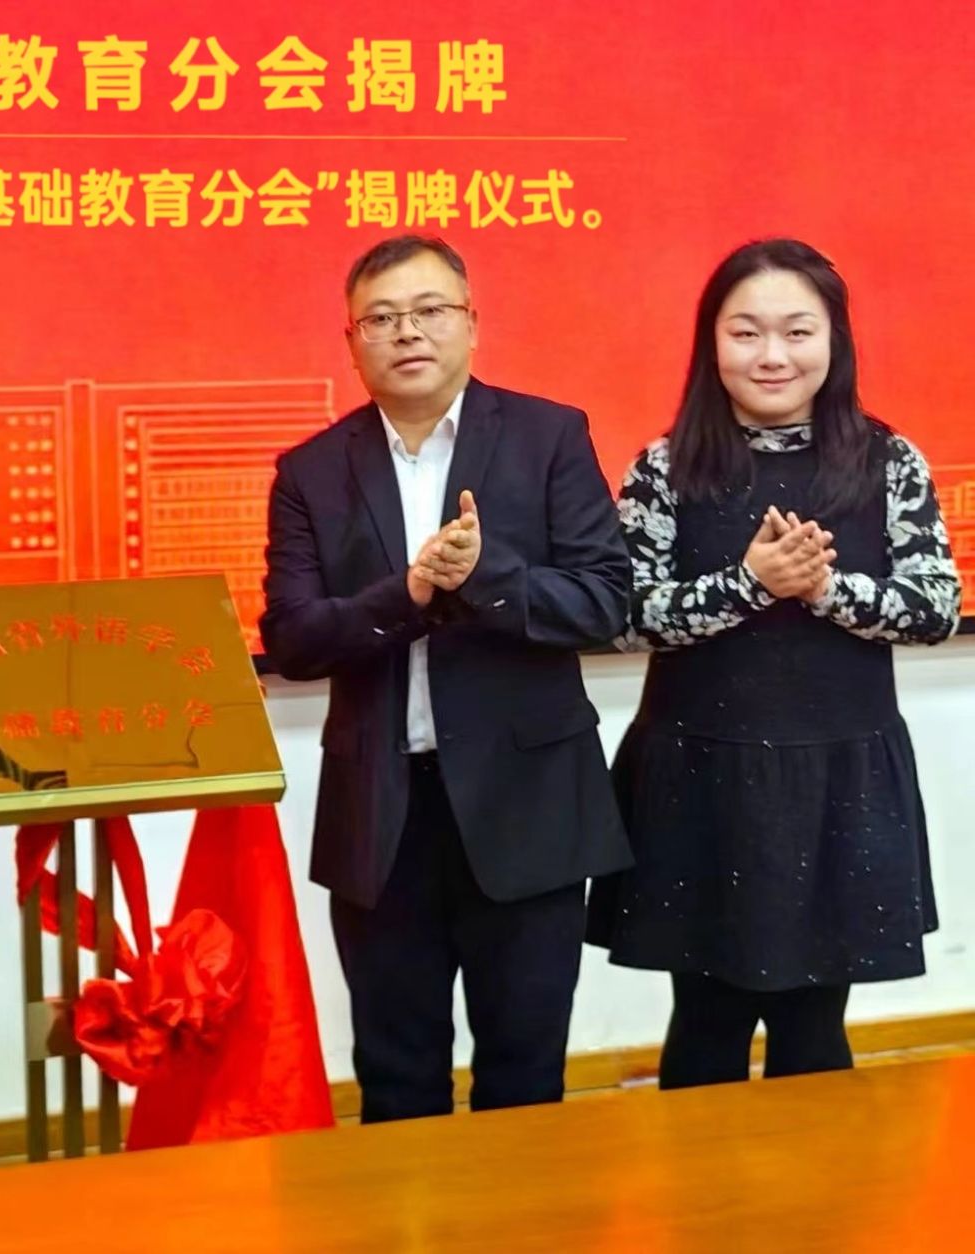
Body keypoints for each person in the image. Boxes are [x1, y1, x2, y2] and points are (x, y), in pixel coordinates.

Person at [259, 234, 632, 1123]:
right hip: (383, 813)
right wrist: (410, 594)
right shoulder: (311, 472)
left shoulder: (549, 436)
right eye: (382, 318)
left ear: (471, 324)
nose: (407, 332)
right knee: (397, 1079)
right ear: (352, 341)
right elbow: (293, 639)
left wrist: (486, 577)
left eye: (430, 311)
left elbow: (604, 602)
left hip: (528, 803)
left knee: (525, 1074)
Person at [589, 238, 960, 1088]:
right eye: (745, 332)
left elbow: (934, 608)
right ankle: (700, 1176)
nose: (772, 355)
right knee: (705, 1018)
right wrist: (749, 584)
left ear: (834, 341)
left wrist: (824, 588)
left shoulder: (887, 461)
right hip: (698, 770)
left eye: (798, 331)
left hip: (839, 771)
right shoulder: (666, 466)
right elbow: (624, 618)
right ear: (711, 343)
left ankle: (817, 1180)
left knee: (814, 1021)